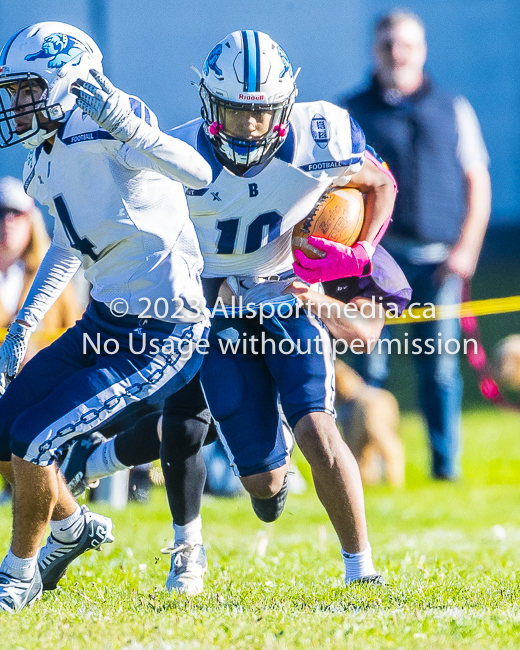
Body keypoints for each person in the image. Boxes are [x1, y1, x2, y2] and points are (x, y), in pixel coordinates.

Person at [70, 29, 399, 586]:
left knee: (320, 429)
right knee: (266, 491)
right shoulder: (173, 155)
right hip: (214, 309)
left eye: (262, 113)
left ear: (286, 105)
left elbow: (381, 183)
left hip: (286, 292)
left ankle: (361, 570)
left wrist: (360, 250)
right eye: (235, 112)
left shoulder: (322, 135)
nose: (249, 128)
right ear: (207, 101)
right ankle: (256, 452)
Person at [0, 21, 213, 612]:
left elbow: (199, 173)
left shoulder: (114, 122)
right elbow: (69, 246)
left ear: (66, 83)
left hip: (163, 330)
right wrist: (23, 325)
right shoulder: (43, 159)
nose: (16, 104)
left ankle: (17, 575)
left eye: (26, 89)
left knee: (36, 437)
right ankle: (71, 526)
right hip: (102, 323)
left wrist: (130, 127)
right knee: (4, 425)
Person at [340, 10, 492, 480]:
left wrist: (465, 251)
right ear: (374, 49)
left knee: (440, 370)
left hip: (437, 262)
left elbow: (477, 182)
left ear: (422, 50)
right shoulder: (349, 112)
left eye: (406, 43)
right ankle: (361, 469)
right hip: (373, 262)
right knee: (368, 370)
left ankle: (445, 467)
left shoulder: (453, 107)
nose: (396, 51)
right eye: (387, 43)